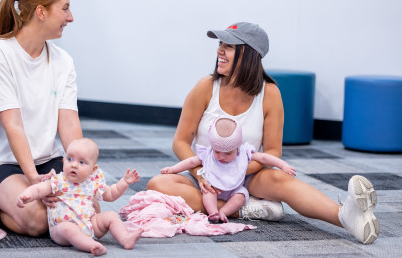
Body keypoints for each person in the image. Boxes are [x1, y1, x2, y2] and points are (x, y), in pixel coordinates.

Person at [147, 22, 379, 244]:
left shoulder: (270, 93)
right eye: (220, 44)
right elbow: (180, 142)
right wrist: (202, 174)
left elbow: (272, 151)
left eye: (228, 46)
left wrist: (235, 172)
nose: (219, 50)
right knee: (157, 184)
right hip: (205, 175)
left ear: (248, 54)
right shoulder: (205, 87)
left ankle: (347, 217)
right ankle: (245, 209)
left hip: (248, 175)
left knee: (281, 178)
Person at [0, 0, 84, 236]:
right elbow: (13, 125)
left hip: (46, 159)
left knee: (87, 208)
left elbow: (68, 121)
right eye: (64, 9)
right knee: (38, 220)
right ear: (41, 12)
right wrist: (32, 179)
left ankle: (13, 204)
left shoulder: (63, 61)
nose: (71, 17)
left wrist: (81, 167)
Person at [17, 138, 143, 256]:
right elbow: (39, 189)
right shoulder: (58, 180)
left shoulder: (93, 182)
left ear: (93, 170)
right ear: (63, 161)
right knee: (67, 228)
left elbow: (111, 194)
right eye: (70, 159)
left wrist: (124, 182)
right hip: (62, 230)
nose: (74, 165)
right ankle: (91, 245)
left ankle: (125, 239)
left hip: (90, 224)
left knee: (111, 215)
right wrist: (27, 195)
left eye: (82, 162)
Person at [160, 117, 295, 223]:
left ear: (237, 146)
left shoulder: (244, 153)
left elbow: (264, 158)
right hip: (213, 186)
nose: (222, 157)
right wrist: (173, 169)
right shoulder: (208, 153)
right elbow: (190, 162)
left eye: (228, 153)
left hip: (234, 189)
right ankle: (213, 211)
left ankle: (224, 212)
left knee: (241, 196)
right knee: (207, 192)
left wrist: (282, 165)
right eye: (217, 152)